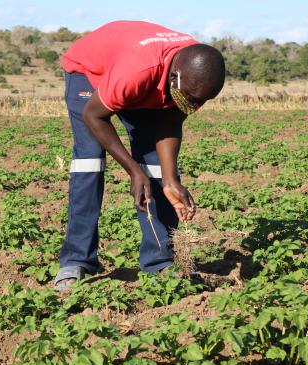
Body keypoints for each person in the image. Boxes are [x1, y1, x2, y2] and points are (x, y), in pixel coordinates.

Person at [53, 20, 225, 290]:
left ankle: (160, 262)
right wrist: (134, 170)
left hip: (143, 76)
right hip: (89, 72)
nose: (193, 106)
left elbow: (170, 125)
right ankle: (76, 261)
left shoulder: (194, 78)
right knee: (90, 161)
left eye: (199, 102)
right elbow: (94, 116)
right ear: (175, 78)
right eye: (190, 98)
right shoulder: (137, 72)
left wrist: (170, 181)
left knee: (155, 165)